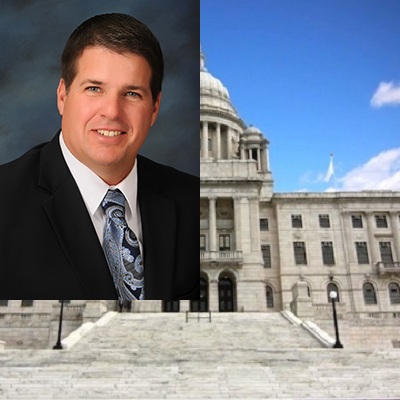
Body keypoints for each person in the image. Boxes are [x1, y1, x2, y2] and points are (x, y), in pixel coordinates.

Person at [0, 13, 199, 300]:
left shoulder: (191, 198)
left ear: (155, 108)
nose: (112, 112)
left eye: (132, 94)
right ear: (62, 96)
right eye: (94, 89)